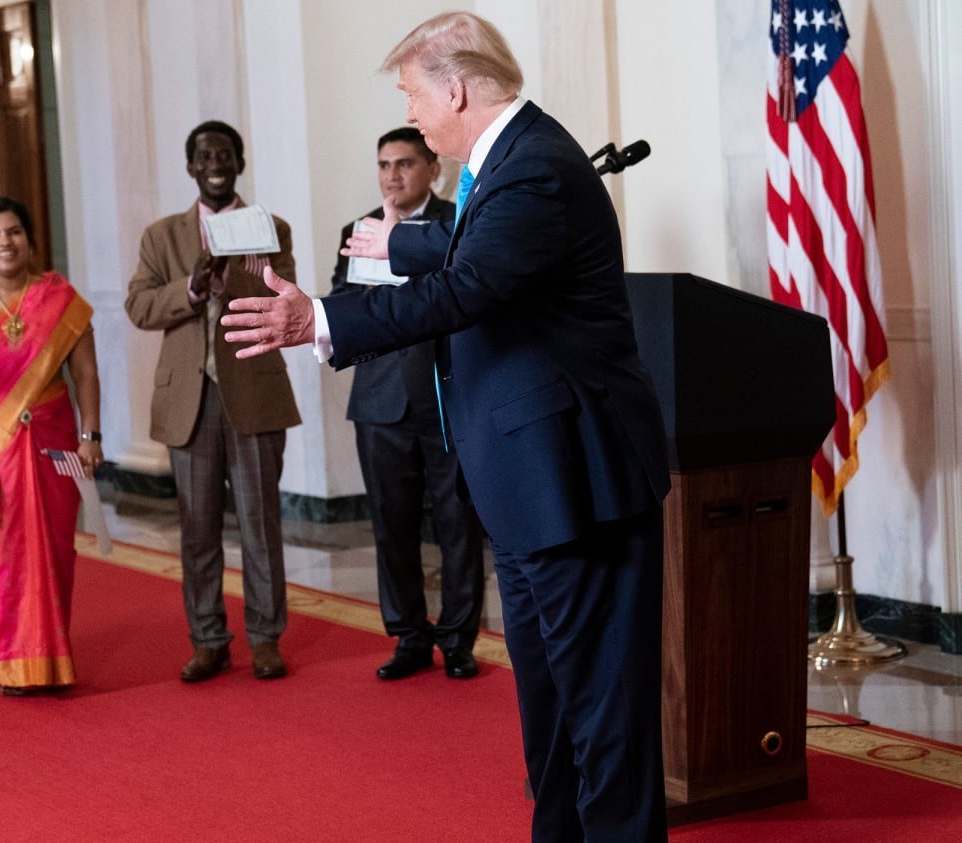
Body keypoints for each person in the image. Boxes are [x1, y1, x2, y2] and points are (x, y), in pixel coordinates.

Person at [221, 12, 670, 842]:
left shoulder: (532, 170)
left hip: (580, 485)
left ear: (455, 88)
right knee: (554, 717)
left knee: (603, 725)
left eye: (412, 95)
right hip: (536, 488)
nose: (412, 113)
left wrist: (321, 317)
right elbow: (476, 255)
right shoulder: (506, 164)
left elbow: (470, 289)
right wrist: (407, 245)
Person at [124, 120, 302, 682]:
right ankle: (208, 638)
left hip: (253, 389)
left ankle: (266, 638)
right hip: (189, 400)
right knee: (197, 527)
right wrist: (193, 289)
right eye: (204, 156)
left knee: (259, 522)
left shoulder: (270, 228)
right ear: (191, 167)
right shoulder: (162, 237)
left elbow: (286, 300)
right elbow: (139, 307)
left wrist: (231, 283)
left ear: (240, 163)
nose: (216, 163)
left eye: (225, 154)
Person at [330, 127, 485, 681]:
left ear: (432, 169)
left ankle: (460, 640)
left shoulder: (457, 224)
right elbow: (343, 307)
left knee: (458, 523)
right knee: (390, 526)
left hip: (448, 395)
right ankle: (408, 637)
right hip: (380, 400)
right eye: (384, 165)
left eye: (404, 164)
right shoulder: (358, 230)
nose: (393, 175)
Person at [0, 196, 102, 694]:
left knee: (52, 553)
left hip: (54, 447)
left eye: (13, 232)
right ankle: (5, 659)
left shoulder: (61, 301)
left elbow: (87, 374)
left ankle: (47, 659)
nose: (4, 243)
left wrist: (91, 436)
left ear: (30, 240)